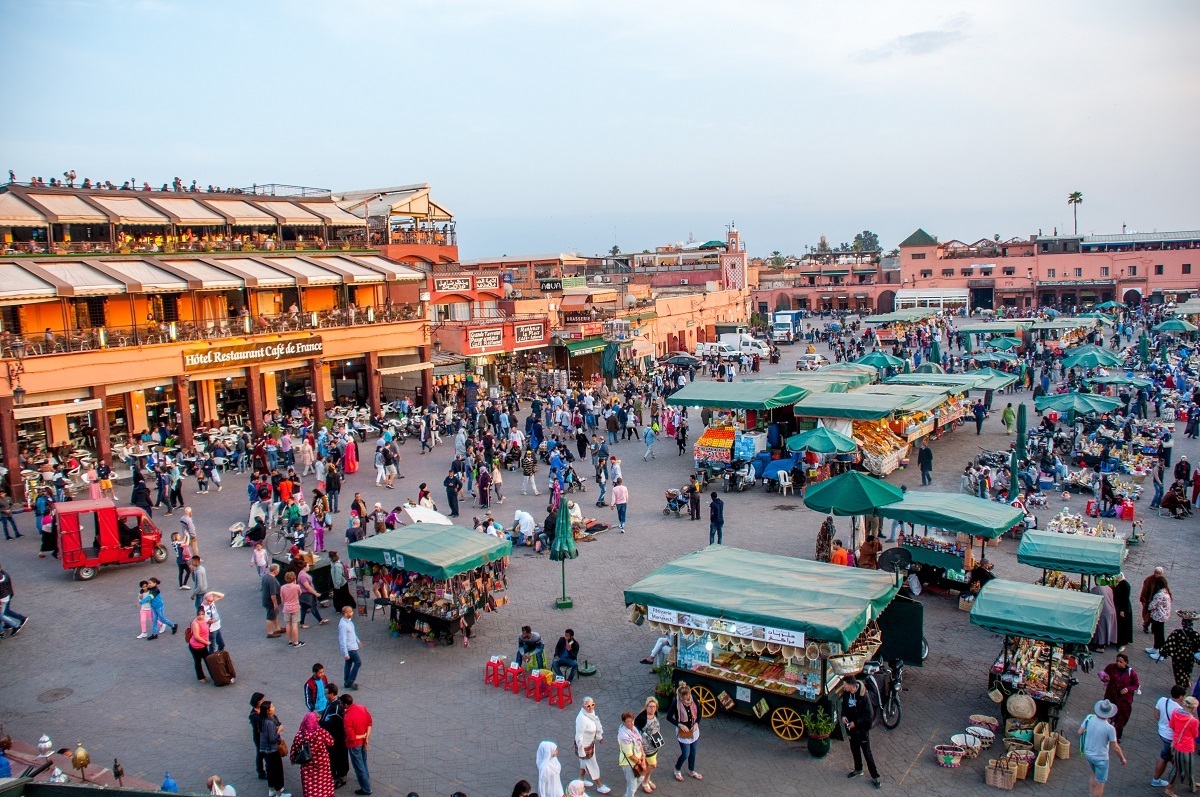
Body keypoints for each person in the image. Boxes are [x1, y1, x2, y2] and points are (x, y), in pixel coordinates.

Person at [1078, 699, 1126, 797]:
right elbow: (1115, 747)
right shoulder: (1110, 728)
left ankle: (1091, 794)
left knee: (1094, 774)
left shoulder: (1089, 718)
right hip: (1101, 758)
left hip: (1088, 754)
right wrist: (1122, 758)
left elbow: (1080, 731)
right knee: (1100, 783)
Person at [840, 676, 881, 788]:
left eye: (845, 685)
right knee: (854, 749)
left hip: (861, 728)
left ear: (850, 686)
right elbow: (844, 705)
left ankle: (875, 776)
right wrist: (843, 716)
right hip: (851, 728)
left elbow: (869, 715)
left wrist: (856, 723)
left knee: (867, 752)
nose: (843, 687)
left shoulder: (864, 696)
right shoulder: (847, 693)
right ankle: (858, 769)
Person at [291, 711, 335, 797]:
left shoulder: (300, 735)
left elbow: (294, 748)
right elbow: (331, 742)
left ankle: (311, 794)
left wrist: (293, 758)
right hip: (322, 761)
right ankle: (325, 793)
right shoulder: (321, 732)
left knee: (309, 781)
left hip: (307, 762)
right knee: (324, 779)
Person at [665, 683, 701, 783]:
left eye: (688, 695)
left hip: (693, 730)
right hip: (683, 732)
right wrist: (679, 724)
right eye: (685, 696)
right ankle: (677, 768)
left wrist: (697, 723)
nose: (687, 697)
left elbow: (699, 713)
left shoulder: (693, 699)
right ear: (680, 696)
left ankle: (691, 770)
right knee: (685, 753)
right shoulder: (676, 703)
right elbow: (668, 717)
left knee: (693, 752)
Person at [1152, 685, 1186, 788]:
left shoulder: (1162, 700)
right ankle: (1156, 780)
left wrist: (1163, 724)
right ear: (1180, 697)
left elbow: (1156, 714)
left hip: (1161, 732)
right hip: (1170, 737)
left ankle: (1181, 771)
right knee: (1164, 757)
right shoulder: (1179, 709)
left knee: (1169, 756)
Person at [1099, 653, 1139, 740]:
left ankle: (1117, 735)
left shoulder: (1131, 673)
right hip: (1111, 696)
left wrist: (1127, 689)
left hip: (1124, 700)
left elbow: (1136, 685)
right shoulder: (1111, 667)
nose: (1118, 663)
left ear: (1126, 663)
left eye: (1121, 662)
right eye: (1117, 661)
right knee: (1107, 715)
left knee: (1121, 718)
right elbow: (1103, 674)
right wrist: (1104, 678)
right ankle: (1105, 733)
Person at [1165, 696, 1199, 797]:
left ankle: (1192, 784)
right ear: (1193, 708)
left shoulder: (1175, 712)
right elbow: (1195, 735)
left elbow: (1172, 726)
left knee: (1183, 767)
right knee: (1179, 770)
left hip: (1176, 744)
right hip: (1186, 747)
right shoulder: (1193, 721)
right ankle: (1169, 789)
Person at [576, 697, 611, 793]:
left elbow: (596, 724)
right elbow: (579, 736)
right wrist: (581, 751)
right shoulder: (582, 719)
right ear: (583, 706)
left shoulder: (590, 714)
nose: (591, 707)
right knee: (592, 765)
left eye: (592, 705)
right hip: (584, 747)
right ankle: (599, 785)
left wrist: (599, 736)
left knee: (584, 764)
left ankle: (581, 780)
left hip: (590, 744)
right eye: (588, 706)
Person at [1156, 614, 1200, 688]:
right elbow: (1198, 648)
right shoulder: (1196, 634)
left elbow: (1169, 644)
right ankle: (1185, 682)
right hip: (1189, 657)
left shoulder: (1177, 633)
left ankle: (1180, 685)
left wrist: (1163, 652)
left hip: (1178, 657)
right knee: (1187, 671)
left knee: (1178, 672)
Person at [341, 693, 372, 795]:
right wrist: (366, 738)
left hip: (354, 745)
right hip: (363, 742)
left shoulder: (347, 718)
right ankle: (366, 779)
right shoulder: (362, 708)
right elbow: (369, 723)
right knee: (363, 762)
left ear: (345, 705)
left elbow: (351, 737)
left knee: (359, 767)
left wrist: (362, 736)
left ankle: (366, 789)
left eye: (341, 703)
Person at [257, 701, 291, 797]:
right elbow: (273, 738)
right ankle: (278, 793)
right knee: (277, 771)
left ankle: (271, 789)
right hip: (272, 750)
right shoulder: (269, 723)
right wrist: (279, 730)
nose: (274, 707)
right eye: (272, 706)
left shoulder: (262, 719)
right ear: (268, 710)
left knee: (270, 770)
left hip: (265, 750)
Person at [319, 683, 349, 790]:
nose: (324, 695)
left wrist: (321, 724)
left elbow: (332, 725)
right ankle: (335, 774)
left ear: (332, 694)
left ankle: (341, 777)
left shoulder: (336, 708)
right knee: (333, 757)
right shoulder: (331, 703)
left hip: (337, 739)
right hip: (332, 738)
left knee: (339, 757)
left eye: (326, 693)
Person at [634, 697, 664, 793]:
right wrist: (643, 735)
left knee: (648, 765)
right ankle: (644, 782)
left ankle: (647, 779)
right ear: (646, 707)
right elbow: (635, 729)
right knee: (653, 765)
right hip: (645, 746)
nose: (652, 709)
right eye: (650, 706)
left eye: (654, 707)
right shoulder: (642, 717)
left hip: (654, 744)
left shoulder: (655, 714)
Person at [617, 712, 647, 797]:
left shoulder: (633, 729)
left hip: (638, 759)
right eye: (629, 721)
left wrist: (643, 758)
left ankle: (628, 795)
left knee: (641, 778)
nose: (632, 723)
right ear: (623, 722)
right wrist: (641, 763)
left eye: (632, 720)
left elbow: (639, 743)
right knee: (632, 786)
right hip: (629, 763)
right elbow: (629, 754)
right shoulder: (623, 735)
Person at [1147, 575, 1173, 657]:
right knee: (1157, 633)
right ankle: (1155, 648)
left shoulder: (1160, 595)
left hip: (1159, 616)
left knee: (1159, 635)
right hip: (1162, 616)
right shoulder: (1165, 592)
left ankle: (1161, 654)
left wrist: (1149, 606)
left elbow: (1152, 606)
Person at [339, 605, 363, 690]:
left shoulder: (349, 622)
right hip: (350, 648)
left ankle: (346, 681)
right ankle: (349, 681)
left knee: (348, 664)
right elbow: (343, 640)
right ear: (345, 614)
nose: (352, 613)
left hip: (353, 645)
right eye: (350, 612)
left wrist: (358, 640)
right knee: (358, 662)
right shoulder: (343, 625)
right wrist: (345, 653)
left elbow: (353, 632)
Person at [280, 572, 305, 648]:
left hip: (286, 607)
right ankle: (296, 642)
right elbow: (299, 593)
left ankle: (290, 641)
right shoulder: (296, 586)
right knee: (294, 624)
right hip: (295, 607)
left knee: (288, 624)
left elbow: (282, 598)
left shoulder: (282, 587)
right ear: (294, 579)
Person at [188, 607, 211, 682]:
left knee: (207, 660)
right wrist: (206, 642)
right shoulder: (195, 623)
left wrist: (209, 622)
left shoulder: (203, 620)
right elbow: (197, 636)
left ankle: (213, 675)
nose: (201, 616)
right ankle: (201, 678)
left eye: (202, 614)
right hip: (196, 647)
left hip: (203, 646)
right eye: (199, 615)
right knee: (198, 661)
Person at [1112, 573, 1134, 652]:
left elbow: (1124, 598)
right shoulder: (1122, 583)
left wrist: (1122, 610)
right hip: (1121, 607)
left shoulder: (1124, 585)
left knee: (1122, 625)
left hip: (1123, 608)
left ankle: (1122, 642)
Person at [250, 692, 267, 781]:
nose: (264, 702)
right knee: (260, 755)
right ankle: (261, 772)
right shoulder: (255, 716)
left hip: (262, 737)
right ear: (257, 702)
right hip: (260, 738)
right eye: (262, 700)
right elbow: (260, 729)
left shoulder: (261, 710)